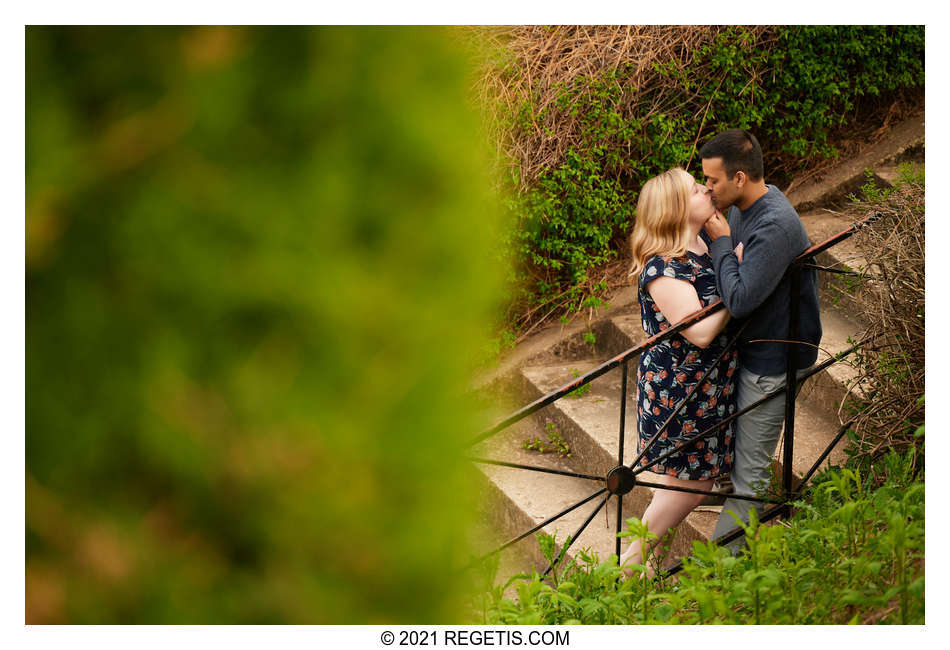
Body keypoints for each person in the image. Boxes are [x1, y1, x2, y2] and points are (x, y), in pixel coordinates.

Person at [699, 129, 822, 548]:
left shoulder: (773, 224)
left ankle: (713, 580)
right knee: (738, 464)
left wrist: (718, 244)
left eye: (712, 181)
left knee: (750, 476)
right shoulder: (742, 207)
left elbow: (740, 297)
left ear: (738, 178)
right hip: (753, 349)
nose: (707, 189)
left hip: (775, 360)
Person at [619, 168, 738, 578]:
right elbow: (702, 332)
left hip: (708, 386)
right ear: (675, 208)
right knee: (693, 484)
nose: (705, 188)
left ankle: (644, 574)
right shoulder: (663, 269)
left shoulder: (704, 245)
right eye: (694, 188)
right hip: (679, 392)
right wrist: (735, 282)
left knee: (677, 481)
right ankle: (630, 563)